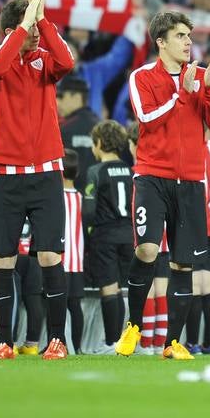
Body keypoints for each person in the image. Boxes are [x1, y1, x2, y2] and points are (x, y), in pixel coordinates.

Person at [116, 11, 210, 360]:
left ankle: (172, 343)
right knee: (147, 250)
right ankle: (133, 326)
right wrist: (183, 89)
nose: (188, 42)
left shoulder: (198, 78)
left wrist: (207, 90)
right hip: (152, 176)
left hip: (191, 180)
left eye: (189, 36)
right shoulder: (143, 77)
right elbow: (146, 119)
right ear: (161, 41)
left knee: (183, 264)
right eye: (180, 36)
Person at [0, 0, 76, 361]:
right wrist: (24, 26)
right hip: (5, 176)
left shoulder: (45, 61)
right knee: (2, 258)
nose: (35, 33)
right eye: (30, 26)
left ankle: (57, 340)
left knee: (50, 256)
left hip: (47, 174)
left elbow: (66, 61)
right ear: (11, 30)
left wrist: (44, 20)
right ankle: (5, 342)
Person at [82, 120, 133, 352]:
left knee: (108, 289)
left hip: (105, 236)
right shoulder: (131, 172)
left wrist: (87, 233)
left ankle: (111, 342)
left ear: (99, 143)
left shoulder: (95, 172)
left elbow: (89, 212)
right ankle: (120, 341)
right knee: (121, 289)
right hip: (128, 236)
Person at [60, 149, 86, 354]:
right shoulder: (80, 197)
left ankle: (57, 344)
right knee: (74, 306)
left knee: (56, 303)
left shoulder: (54, 198)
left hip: (59, 260)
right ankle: (76, 347)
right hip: (77, 261)